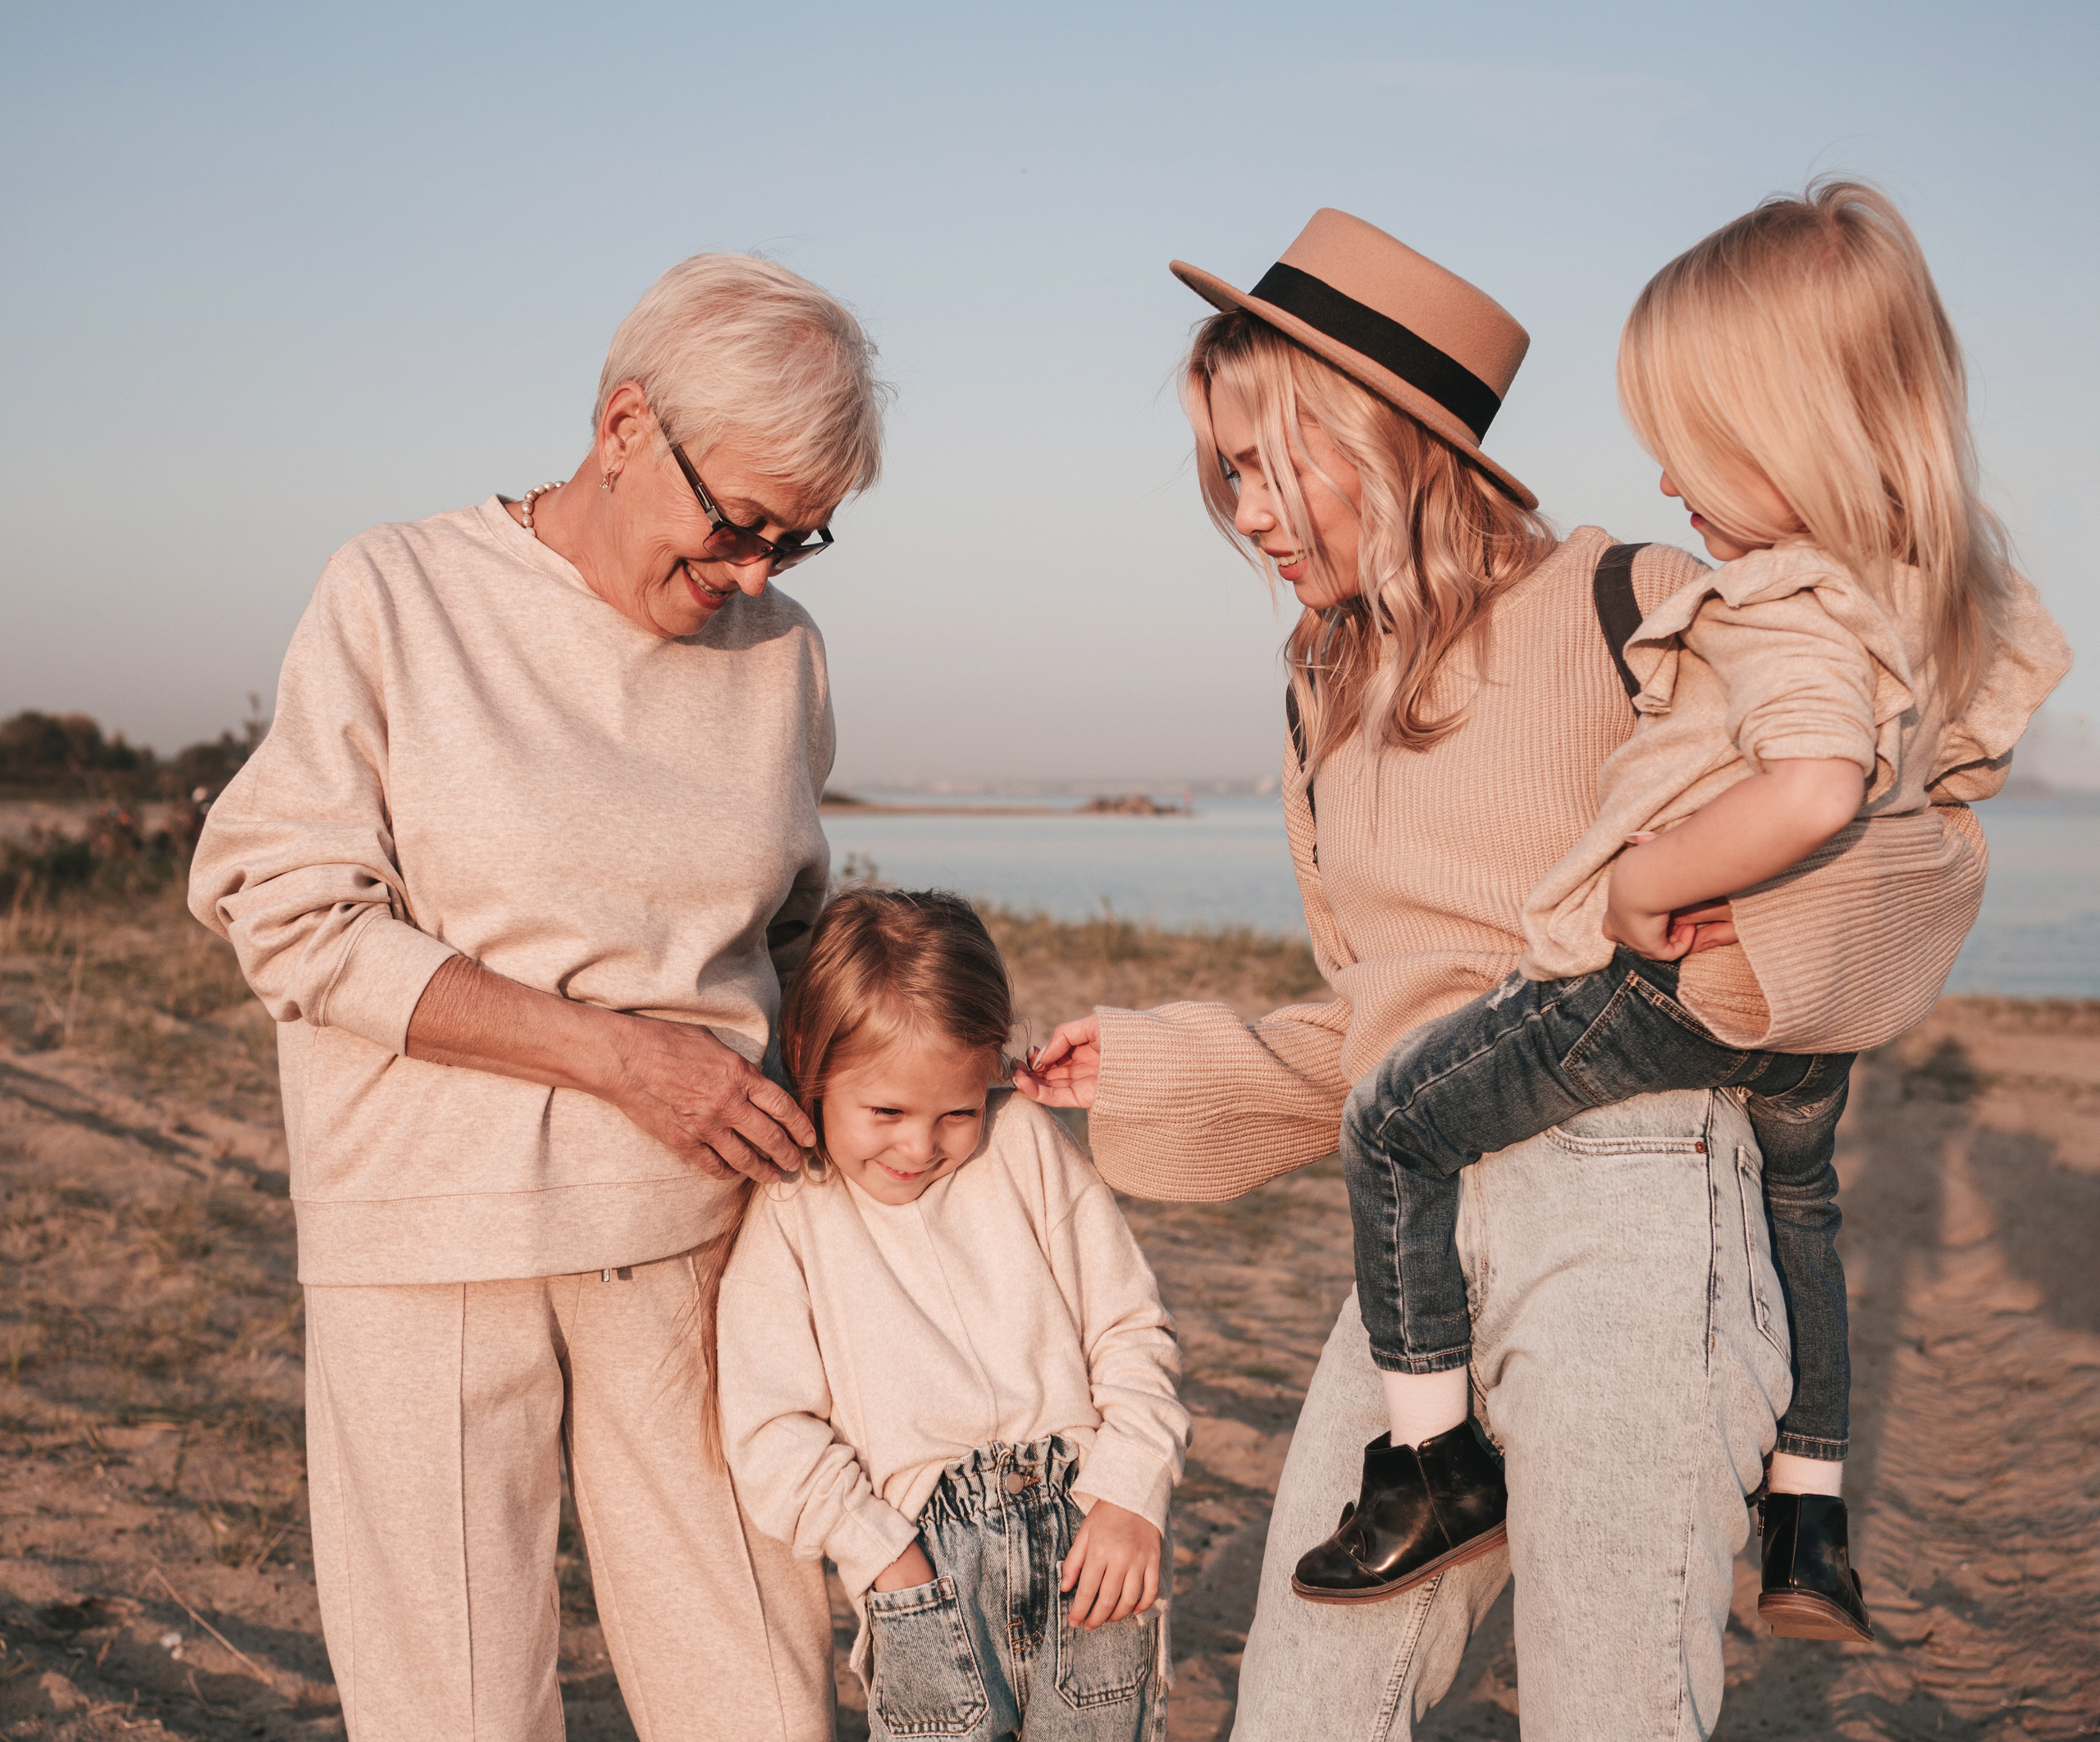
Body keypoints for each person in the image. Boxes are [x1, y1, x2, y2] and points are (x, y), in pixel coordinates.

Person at [1016, 207, 1997, 1740]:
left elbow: (1914, 838)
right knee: (1302, 1702)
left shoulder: (1638, 596)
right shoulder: (1321, 694)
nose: (1250, 512)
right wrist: (1153, 1062)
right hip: (1414, 1236)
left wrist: (1733, 940)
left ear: (1394, 437)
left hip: (1640, 1200)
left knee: (1608, 1705)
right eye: (1227, 475)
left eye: (1274, 461)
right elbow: (1391, 1017)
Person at [1297, 185, 2068, 1644]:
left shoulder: (1784, 597)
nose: (1666, 486)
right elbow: (1939, 775)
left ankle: (1432, 1463)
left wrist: (1647, 878)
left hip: (1657, 989)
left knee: (1395, 1123)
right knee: (1805, 1208)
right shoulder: (1938, 584)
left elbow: (1819, 782)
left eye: (1690, 449)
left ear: (1795, 434)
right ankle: (1811, 1517)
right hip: (1802, 1023)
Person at [188, 253, 887, 1742]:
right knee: (455, 1704)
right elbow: (286, 907)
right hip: (428, 1234)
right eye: (736, 521)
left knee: (760, 1690)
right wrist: (620, 1058)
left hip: (697, 1238)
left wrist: (900, 1049)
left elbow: (795, 921)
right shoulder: (399, 592)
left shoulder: (783, 656)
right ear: (624, 424)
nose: (756, 570)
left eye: (799, 539)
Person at [715, 888, 1189, 1742]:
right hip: (922, 1568)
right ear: (811, 1066)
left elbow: (1130, 1329)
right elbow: (769, 1426)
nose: (919, 1146)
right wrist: (882, 1557)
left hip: (1090, 1539)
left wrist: (1130, 1493)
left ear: (990, 1073)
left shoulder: (1028, 1146)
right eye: (886, 1111)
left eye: (957, 1111)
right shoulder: (792, 1209)